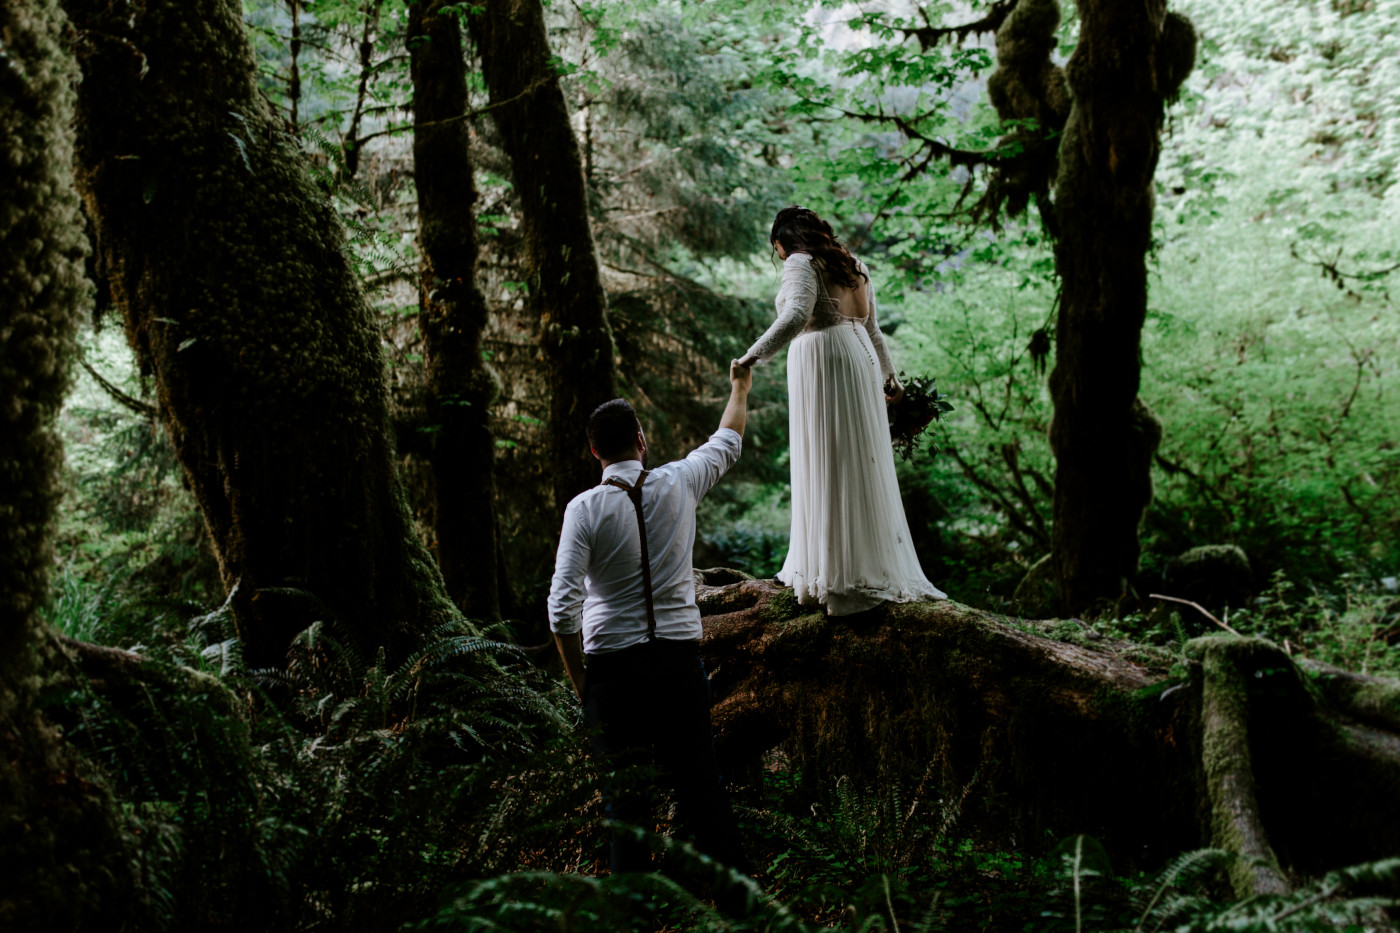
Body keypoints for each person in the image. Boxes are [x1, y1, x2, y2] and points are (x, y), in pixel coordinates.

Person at [547, 361, 752, 874]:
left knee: (626, 813)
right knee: (704, 792)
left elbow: (561, 611)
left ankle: (632, 914)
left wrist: (582, 685)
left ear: (595, 452)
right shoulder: (680, 482)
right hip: (680, 668)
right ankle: (739, 909)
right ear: (641, 439)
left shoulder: (584, 510)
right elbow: (727, 439)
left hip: (614, 678)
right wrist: (739, 386)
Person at [737, 206, 946, 615]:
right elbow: (872, 328)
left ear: (784, 241)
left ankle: (838, 575)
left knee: (829, 460)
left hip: (826, 361)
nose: (779, 256)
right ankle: (864, 566)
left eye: (776, 247)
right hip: (859, 357)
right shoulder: (855, 265)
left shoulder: (801, 262)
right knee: (858, 461)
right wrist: (891, 380)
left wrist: (751, 357)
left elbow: (797, 315)